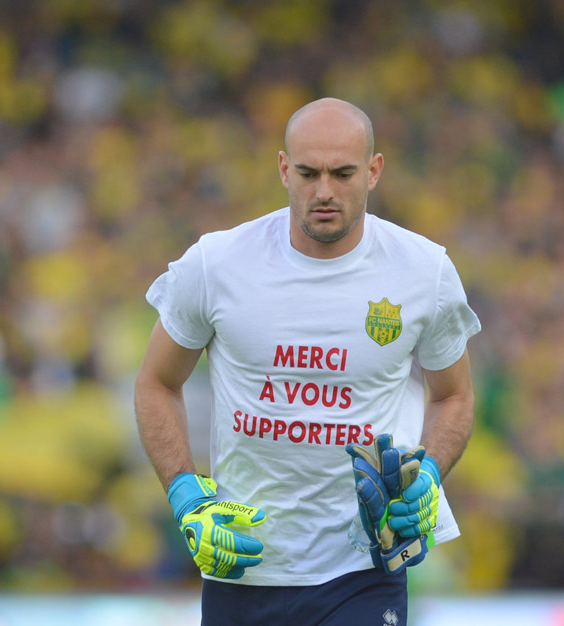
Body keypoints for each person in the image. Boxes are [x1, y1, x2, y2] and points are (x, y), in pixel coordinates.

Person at [134, 97, 480, 625]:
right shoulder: (216, 264)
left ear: (374, 171)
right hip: (241, 564)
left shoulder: (423, 271)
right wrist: (185, 494)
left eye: (343, 174)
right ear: (282, 169)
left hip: (363, 569)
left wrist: (429, 474)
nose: (324, 191)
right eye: (307, 173)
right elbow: (156, 383)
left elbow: (454, 395)